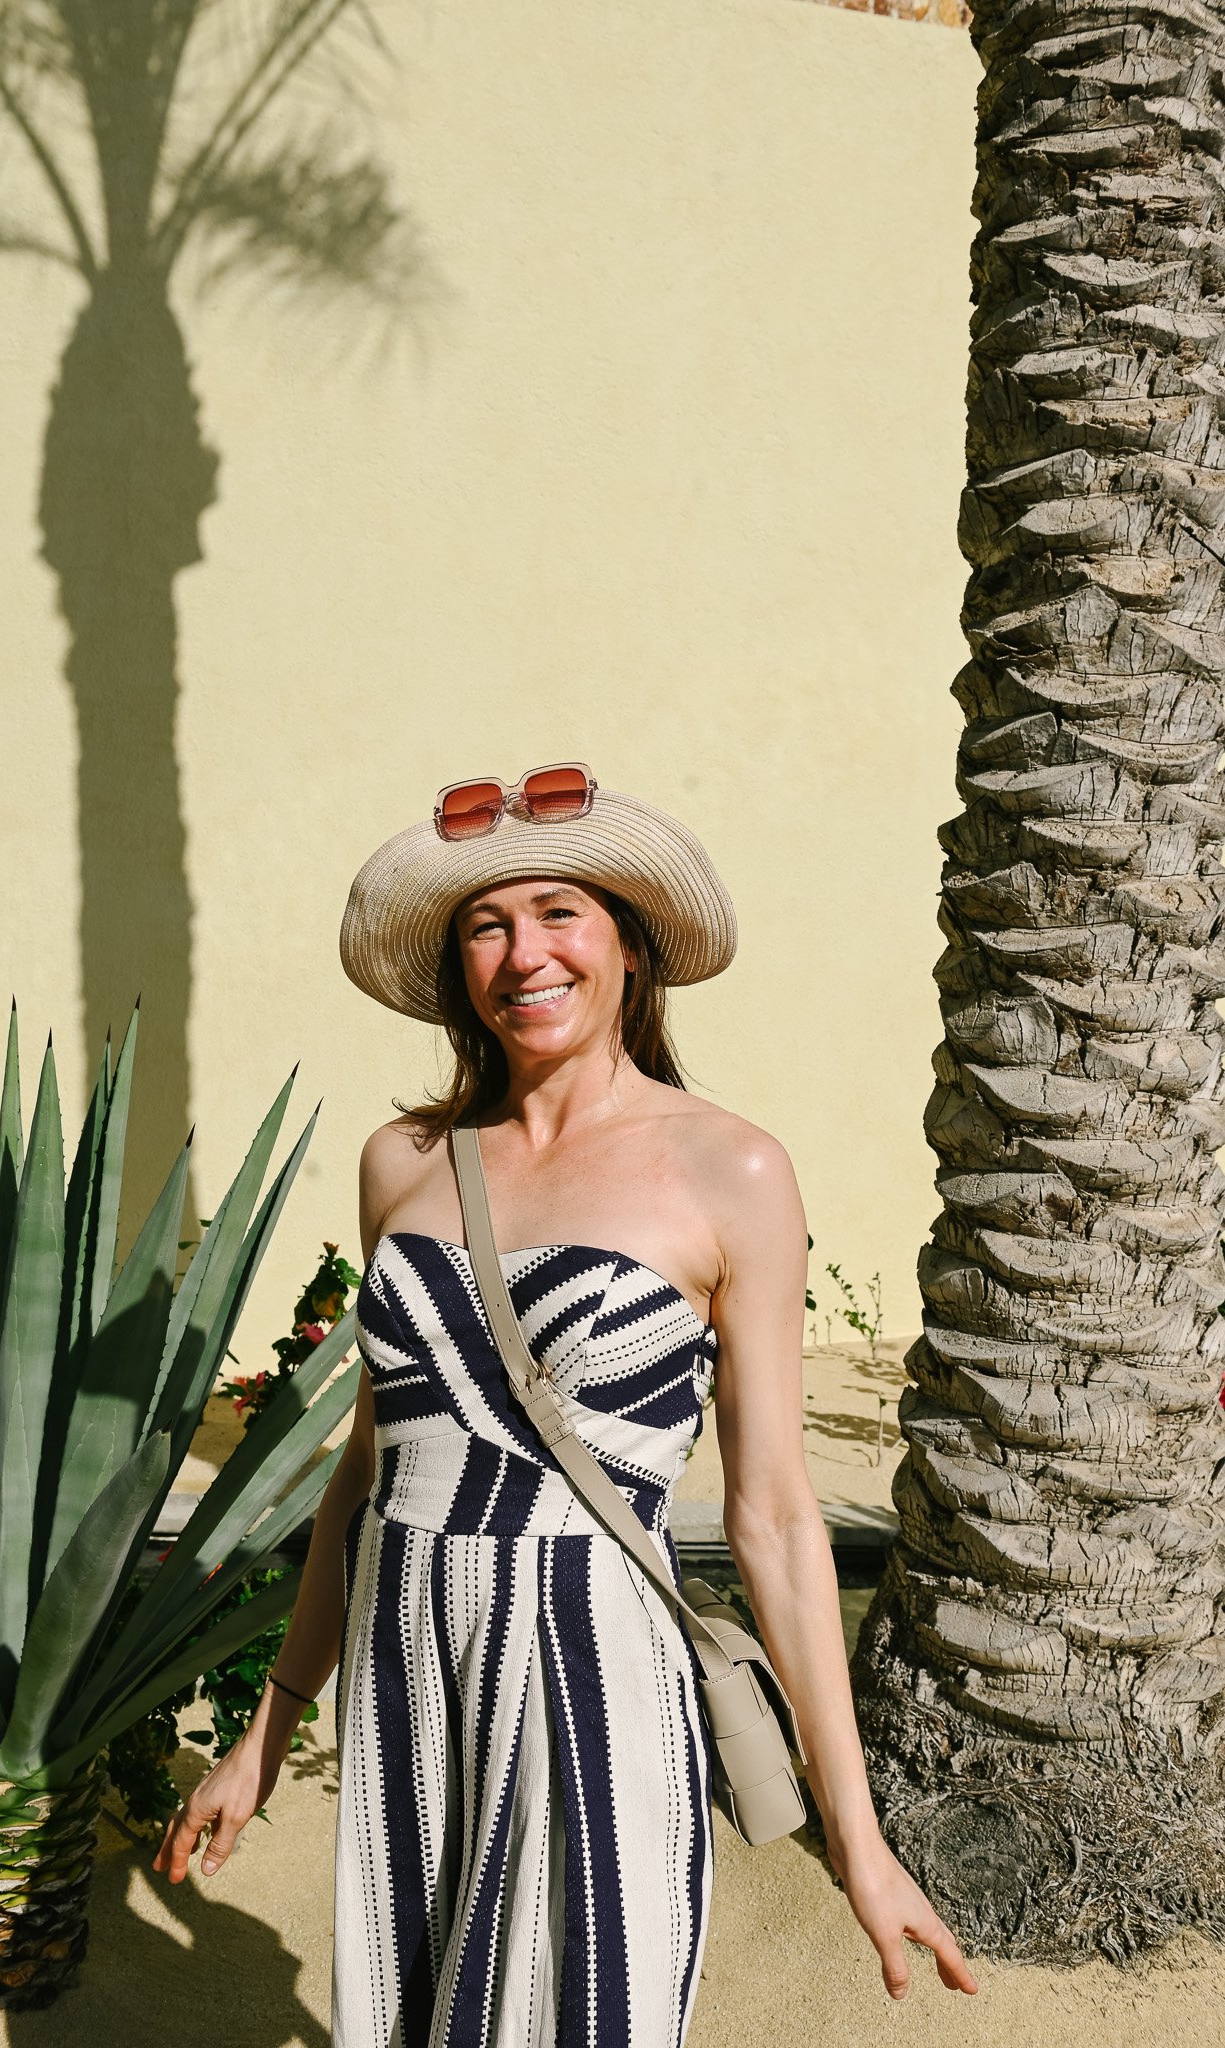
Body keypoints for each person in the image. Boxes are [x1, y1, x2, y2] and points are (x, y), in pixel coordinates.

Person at [154, 764, 978, 2042]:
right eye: (485, 926)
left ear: (630, 950)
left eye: (559, 913)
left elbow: (770, 1516)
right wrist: (269, 1732)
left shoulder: (731, 1167)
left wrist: (856, 1841)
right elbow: (365, 1472)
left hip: (594, 1655)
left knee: (581, 2003)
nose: (521, 953)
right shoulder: (405, 1163)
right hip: (407, 1661)